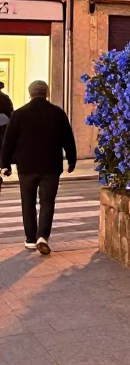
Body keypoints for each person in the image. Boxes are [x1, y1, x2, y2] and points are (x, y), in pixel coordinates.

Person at [0, 81, 77, 256]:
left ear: (30, 93)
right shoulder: (58, 113)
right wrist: (71, 160)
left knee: (28, 203)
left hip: (26, 166)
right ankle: (42, 236)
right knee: (47, 202)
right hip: (51, 166)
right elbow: (68, 138)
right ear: (47, 93)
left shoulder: (19, 114)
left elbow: (9, 141)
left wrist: (5, 164)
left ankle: (30, 239)